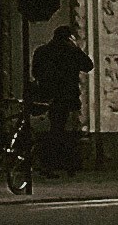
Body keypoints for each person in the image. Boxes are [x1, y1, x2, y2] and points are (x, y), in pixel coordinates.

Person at [29, 14, 93, 163]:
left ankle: (51, 157)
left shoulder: (42, 51)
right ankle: (59, 159)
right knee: (62, 127)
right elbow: (88, 65)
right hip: (65, 95)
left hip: (46, 94)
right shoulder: (71, 52)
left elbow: (35, 73)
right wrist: (76, 47)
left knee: (55, 125)